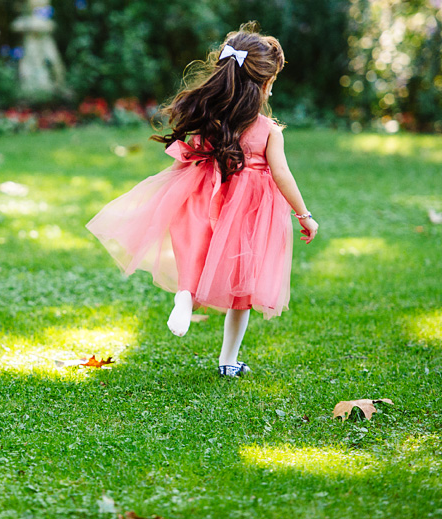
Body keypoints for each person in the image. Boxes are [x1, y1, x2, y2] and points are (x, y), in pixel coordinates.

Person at [85, 22, 319, 377]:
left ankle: (185, 294)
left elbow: (194, 151)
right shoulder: (268, 130)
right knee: (243, 283)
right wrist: (304, 215)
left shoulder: (212, 119)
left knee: (196, 247)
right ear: (264, 85)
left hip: (206, 192)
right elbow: (282, 174)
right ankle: (228, 361)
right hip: (250, 208)